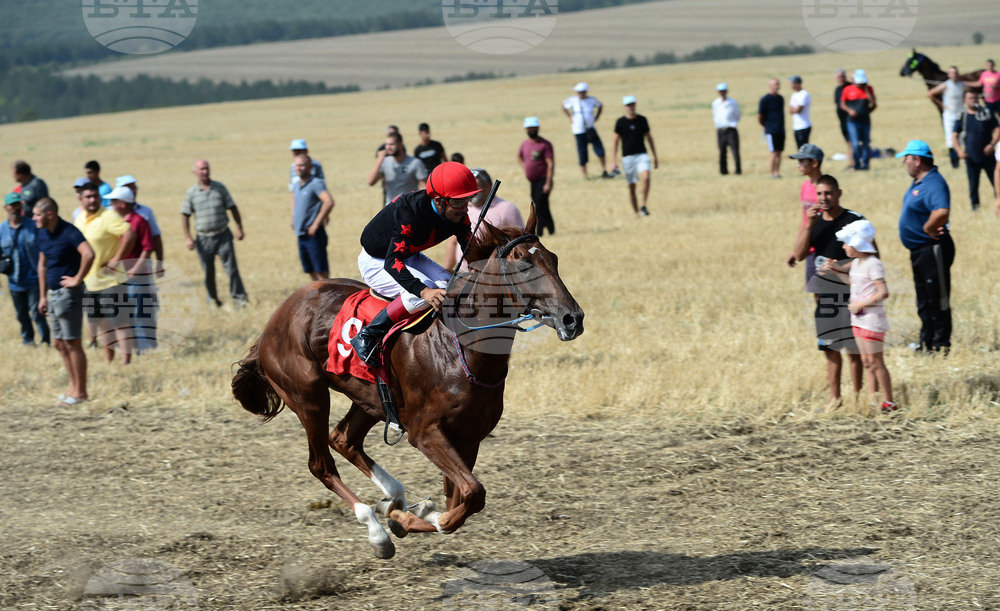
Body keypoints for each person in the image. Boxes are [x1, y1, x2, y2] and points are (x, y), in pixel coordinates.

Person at [350, 162, 481, 366]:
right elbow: (392, 262)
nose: (465, 208)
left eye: (468, 200)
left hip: (410, 255)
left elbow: (473, 253)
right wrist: (423, 292)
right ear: (439, 201)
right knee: (428, 292)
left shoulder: (458, 214)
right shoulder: (409, 212)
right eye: (459, 202)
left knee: (450, 285)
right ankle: (368, 335)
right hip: (378, 260)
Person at [791, 174, 865, 411]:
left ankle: (857, 397)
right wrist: (809, 225)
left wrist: (841, 267)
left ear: (839, 193)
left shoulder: (854, 220)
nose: (824, 198)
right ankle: (835, 399)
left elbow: (871, 257)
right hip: (825, 295)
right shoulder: (815, 222)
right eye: (820, 194)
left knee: (854, 350)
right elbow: (801, 254)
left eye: (829, 193)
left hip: (852, 294)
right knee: (830, 349)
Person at [822, 219, 896, 413]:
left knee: (877, 362)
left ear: (858, 243)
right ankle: (873, 400)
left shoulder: (873, 264)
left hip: (872, 321)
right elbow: (852, 282)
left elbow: (883, 292)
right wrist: (835, 271)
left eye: (847, 243)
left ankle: (889, 402)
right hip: (859, 320)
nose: (844, 247)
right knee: (866, 362)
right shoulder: (857, 263)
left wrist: (860, 305)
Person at [34, 198, 95, 407]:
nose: (33, 218)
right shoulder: (42, 233)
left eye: (37, 214)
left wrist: (77, 279)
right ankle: (72, 388)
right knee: (59, 344)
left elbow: (89, 253)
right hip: (53, 295)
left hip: (70, 296)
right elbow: (42, 265)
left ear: (50, 214)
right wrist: (42, 296)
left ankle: (81, 393)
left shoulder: (70, 232)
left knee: (72, 342)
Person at [896, 141, 954, 353]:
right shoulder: (920, 182)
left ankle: (940, 343)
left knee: (936, 297)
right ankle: (926, 341)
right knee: (924, 300)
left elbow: (941, 211)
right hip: (920, 250)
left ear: (917, 160)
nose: (904, 163)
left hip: (932, 249)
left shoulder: (933, 183)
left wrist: (929, 228)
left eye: (907, 159)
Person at [74, 182, 136, 365]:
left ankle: (126, 363)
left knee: (120, 323)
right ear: (81, 199)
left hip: (111, 281)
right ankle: (108, 360)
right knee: (102, 325)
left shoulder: (109, 216)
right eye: (88, 197)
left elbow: (130, 234)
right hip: (90, 281)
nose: (92, 200)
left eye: (95, 196)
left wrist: (117, 259)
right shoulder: (79, 218)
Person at [181, 159, 249, 308]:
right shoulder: (191, 193)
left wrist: (239, 228)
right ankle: (212, 300)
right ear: (195, 172)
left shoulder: (220, 188)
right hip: (203, 238)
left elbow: (233, 208)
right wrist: (188, 238)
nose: (204, 172)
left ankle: (240, 299)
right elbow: (185, 216)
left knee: (231, 270)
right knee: (208, 272)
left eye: (206, 168)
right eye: (201, 169)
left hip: (223, 235)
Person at [107, 185, 156, 359]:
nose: (110, 203)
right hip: (116, 276)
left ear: (123, 203)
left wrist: (136, 268)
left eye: (114, 200)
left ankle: (144, 350)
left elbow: (148, 248)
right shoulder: (112, 221)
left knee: (139, 313)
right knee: (123, 313)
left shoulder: (139, 221)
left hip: (136, 277)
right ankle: (131, 347)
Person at [443, 167, 524, 271]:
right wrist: (446, 272)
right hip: (463, 274)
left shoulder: (507, 208)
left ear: (487, 186)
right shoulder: (462, 209)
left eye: (476, 187)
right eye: (469, 188)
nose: (472, 192)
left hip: (493, 277)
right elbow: (454, 242)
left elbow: (521, 243)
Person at [1, 192, 50, 346]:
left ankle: (45, 340)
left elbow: (44, 248)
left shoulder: (32, 225)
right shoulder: (2, 230)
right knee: (21, 314)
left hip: (34, 278)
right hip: (14, 280)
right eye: (12, 205)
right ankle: (28, 340)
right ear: (6, 208)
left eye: (18, 204)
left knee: (37, 312)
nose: (16, 208)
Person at [611, 95, 658, 217]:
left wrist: (655, 156)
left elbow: (649, 138)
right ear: (624, 107)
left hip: (642, 154)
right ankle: (636, 212)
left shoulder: (642, 120)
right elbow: (615, 142)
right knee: (632, 187)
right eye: (628, 105)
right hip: (627, 157)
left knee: (646, 177)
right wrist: (613, 162)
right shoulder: (620, 122)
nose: (631, 107)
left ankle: (643, 205)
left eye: (632, 104)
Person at [291, 154, 336, 281]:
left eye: (302, 165)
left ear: (310, 167)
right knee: (310, 270)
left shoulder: (316, 183)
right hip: (301, 234)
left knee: (321, 272)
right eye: (296, 165)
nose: (298, 168)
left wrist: (316, 224)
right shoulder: (297, 185)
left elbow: (329, 202)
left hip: (314, 235)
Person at [952, 90, 999, 211]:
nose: (973, 100)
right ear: (965, 101)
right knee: (973, 185)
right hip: (971, 157)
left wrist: (992, 144)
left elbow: (997, 129)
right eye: (970, 98)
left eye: (975, 98)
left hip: (988, 156)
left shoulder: (986, 113)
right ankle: (975, 208)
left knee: (996, 182)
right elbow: (954, 136)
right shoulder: (962, 116)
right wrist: (959, 151)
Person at [785, 144, 825, 285]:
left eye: (802, 161)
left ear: (814, 163)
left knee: (828, 292)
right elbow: (804, 221)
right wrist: (796, 248)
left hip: (824, 248)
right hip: (810, 248)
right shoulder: (805, 186)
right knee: (815, 291)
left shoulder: (825, 189)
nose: (798, 165)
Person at [115, 175, 165, 276]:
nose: (132, 191)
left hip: (141, 267)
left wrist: (159, 264)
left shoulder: (145, 212)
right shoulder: (110, 212)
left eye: (134, 187)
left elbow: (155, 238)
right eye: (128, 188)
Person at [562, 82, 612, 179]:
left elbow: (600, 106)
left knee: (600, 150)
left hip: (590, 129)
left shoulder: (591, 100)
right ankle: (585, 175)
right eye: (578, 92)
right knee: (582, 153)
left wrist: (597, 117)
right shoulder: (572, 100)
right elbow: (563, 106)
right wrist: (570, 117)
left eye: (582, 92)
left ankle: (604, 170)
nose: (580, 93)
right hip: (579, 131)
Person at [517, 116, 555, 235]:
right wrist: (526, 167)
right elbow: (519, 157)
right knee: (542, 205)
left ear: (538, 128)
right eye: (529, 128)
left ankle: (539, 232)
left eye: (533, 128)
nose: (531, 130)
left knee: (539, 205)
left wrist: (548, 182)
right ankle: (551, 229)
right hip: (532, 181)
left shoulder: (544, 144)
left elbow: (550, 164)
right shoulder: (525, 144)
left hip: (542, 179)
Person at [369, 132, 428, 206]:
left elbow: (424, 187)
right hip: (390, 207)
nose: (388, 147)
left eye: (392, 144)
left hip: (408, 207)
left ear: (400, 144)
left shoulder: (415, 163)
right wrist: (379, 160)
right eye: (386, 145)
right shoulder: (384, 162)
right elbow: (371, 182)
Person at [928, 66, 967, 168]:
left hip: (960, 113)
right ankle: (954, 162)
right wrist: (941, 104)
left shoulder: (961, 85)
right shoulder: (945, 85)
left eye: (955, 73)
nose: (954, 75)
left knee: (962, 137)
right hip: (949, 114)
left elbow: (970, 91)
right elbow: (930, 94)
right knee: (950, 139)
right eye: (952, 73)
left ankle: (962, 158)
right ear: (949, 75)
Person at [840, 69, 877, 171]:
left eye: (862, 82)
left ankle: (865, 165)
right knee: (855, 144)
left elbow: (873, 104)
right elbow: (842, 104)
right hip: (852, 121)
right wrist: (850, 111)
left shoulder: (869, 89)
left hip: (865, 121)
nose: (860, 84)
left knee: (866, 144)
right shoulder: (847, 89)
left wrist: (866, 90)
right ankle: (856, 165)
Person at [757, 78, 785, 178]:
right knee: (773, 152)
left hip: (781, 129)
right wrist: (765, 126)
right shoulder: (765, 99)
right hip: (771, 129)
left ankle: (777, 171)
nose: (777, 86)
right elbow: (760, 116)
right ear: (770, 86)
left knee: (779, 152)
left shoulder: (780, 98)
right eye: (775, 84)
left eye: (778, 84)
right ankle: (771, 172)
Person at [712, 82, 741, 176]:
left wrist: (732, 123)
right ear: (718, 92)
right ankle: (723, 171)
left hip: (731, 129)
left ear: (726, 91)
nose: (722, 93)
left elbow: (737, 115)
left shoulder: (732, 102)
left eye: (723, 91)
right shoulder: (715, 103)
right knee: (722, 152)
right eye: (720, 91)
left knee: (735, 151)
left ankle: (738, 170)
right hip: (721, 130)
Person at [833, 69, 854, 170]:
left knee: (852, 143)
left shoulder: (851, 87)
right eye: (838, 77)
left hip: (851, 121)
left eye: (842, 77)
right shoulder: (837, 89)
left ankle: (853, 164)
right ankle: (852, 163)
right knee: (849, 143)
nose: (840, 79)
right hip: (843, 122)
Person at [788, 75, 812, 149]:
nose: (790, 85)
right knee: (799, 148)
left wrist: (794, 109)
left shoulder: (804, 94)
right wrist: (794, 109)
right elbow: (790, 110)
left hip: (804, 126)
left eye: (792, 83)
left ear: (797, 84)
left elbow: (798, 110)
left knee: (803, 148)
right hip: (796, 126)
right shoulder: (794, 95)